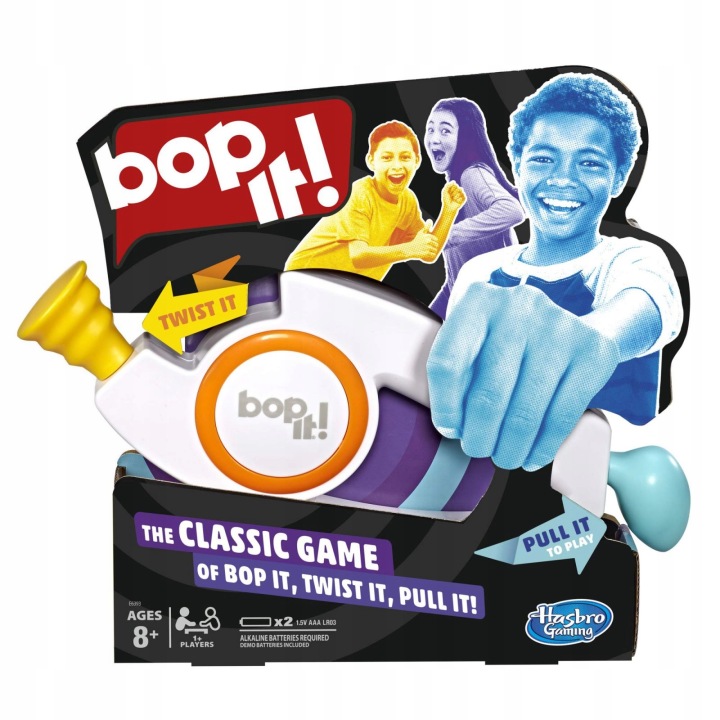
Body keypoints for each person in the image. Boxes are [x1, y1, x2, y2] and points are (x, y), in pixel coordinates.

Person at [427, 73, 683, 471]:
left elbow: (643, 305)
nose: (563, 179)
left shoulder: (635, 259)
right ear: (517, 167)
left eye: (590, 163)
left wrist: (594, 338)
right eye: (543, 159)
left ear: (619, 177)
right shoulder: (478, 272)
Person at [285, 120, 466, 281]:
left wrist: (449, 211)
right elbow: (359, 256)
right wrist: (409, 249)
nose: (397, 166)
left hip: (343, 285)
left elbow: (428, 252)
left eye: (405, 157)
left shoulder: (408, 201)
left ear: (416, 161)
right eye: (387, 158)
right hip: (305, 276)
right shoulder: (360, 194)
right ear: (371, 161)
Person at [424, 98, 524, 317]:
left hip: (489, 298)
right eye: (430, 129)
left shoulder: (473, 174)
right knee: (420, 329)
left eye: (445, 131)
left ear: (465, 137)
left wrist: (449, 235)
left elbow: (512, 210)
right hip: (457, 290)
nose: (434, 138)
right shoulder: (456, 180)